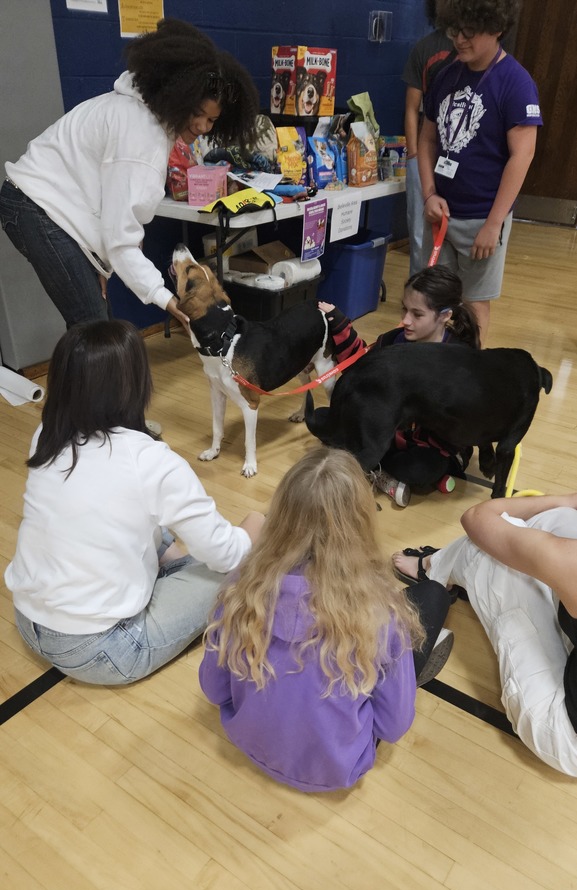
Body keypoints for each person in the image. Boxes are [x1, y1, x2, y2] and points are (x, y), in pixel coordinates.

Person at [4, 320, 264, 685]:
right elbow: (227, 554)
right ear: (135, 384)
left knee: (130, 516)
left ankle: (171, 567)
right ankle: (178, 569)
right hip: (102, 649)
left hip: (29, 620)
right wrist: (255, 526)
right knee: (246, 552)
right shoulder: (151, 461)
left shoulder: (46, 435)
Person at [198, 447, 454, 793]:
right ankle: (408, 661)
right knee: (432, 596)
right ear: (361, 523)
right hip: (337, 769)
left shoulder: (241, 586)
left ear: (281, 516)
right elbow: (393, 727)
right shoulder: (380, 613)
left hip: (246, 740)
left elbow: (214, 690)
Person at [0, 19, 259, 331]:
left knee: (97, 327)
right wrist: (168, 300)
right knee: (95, 329)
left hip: (48, 207)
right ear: (179, 96)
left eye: (212, 120)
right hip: (35, 205)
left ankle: (89, 379)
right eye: (198, 114)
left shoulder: (146, 119)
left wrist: (99, 264)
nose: (203, 127)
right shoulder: (141, 136)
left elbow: (111, 211)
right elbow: (121, 238)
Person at [392, 492, 577, 777]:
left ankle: (433, 567)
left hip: (562, 731)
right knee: (560, 522)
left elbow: (476, 517)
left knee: (481, 550)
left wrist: (566, 500)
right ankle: (447, 564)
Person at [418, 0, 542, 341]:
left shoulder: (515, 82)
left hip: (482, 217)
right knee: (435, 300)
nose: (459, 39)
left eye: (469, 31)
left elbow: (523, 156)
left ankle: (468, 371)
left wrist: (493, 223)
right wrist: (428, 193)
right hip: (440, 213)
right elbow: (427, 139)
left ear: (497, 27)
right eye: (454, 29)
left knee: (474, 304)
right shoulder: (446, 74)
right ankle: (434, 368)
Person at [319, 265, 481, 508]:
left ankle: (379, 471)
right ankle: (376, 467)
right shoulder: (393, 341)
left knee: (419, 470)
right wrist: (341, 326)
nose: (405, 320)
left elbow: (463, 422)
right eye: (404, 309)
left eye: (417, 314)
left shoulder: (459, 360)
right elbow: (363, 370)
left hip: (432, 445)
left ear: (445, 316)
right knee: (326, 421)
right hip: (390, 432)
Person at [403, 1, 454, 274]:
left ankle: (442, 294)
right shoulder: (425, 48)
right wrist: (412, 155)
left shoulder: (477, 53)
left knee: (450, 228)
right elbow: (412, 108)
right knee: (420, 229)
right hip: (424, 150)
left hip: (456, 155)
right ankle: (417, 290)